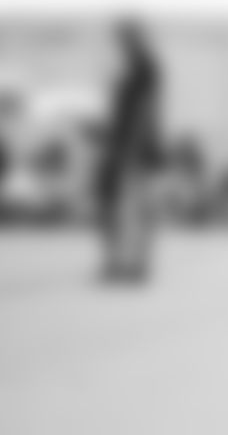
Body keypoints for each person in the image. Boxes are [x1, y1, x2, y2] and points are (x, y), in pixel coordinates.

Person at [96, 19, 162, 284]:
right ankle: (129, 263)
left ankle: (132, 264)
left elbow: (142, 111)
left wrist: (127, 149)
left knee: (131, 208)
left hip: (134, 148)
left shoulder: (144, 68)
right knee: (126, 208)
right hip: (129, 146)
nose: (121, 44)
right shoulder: (135, 68)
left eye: (125, 38)